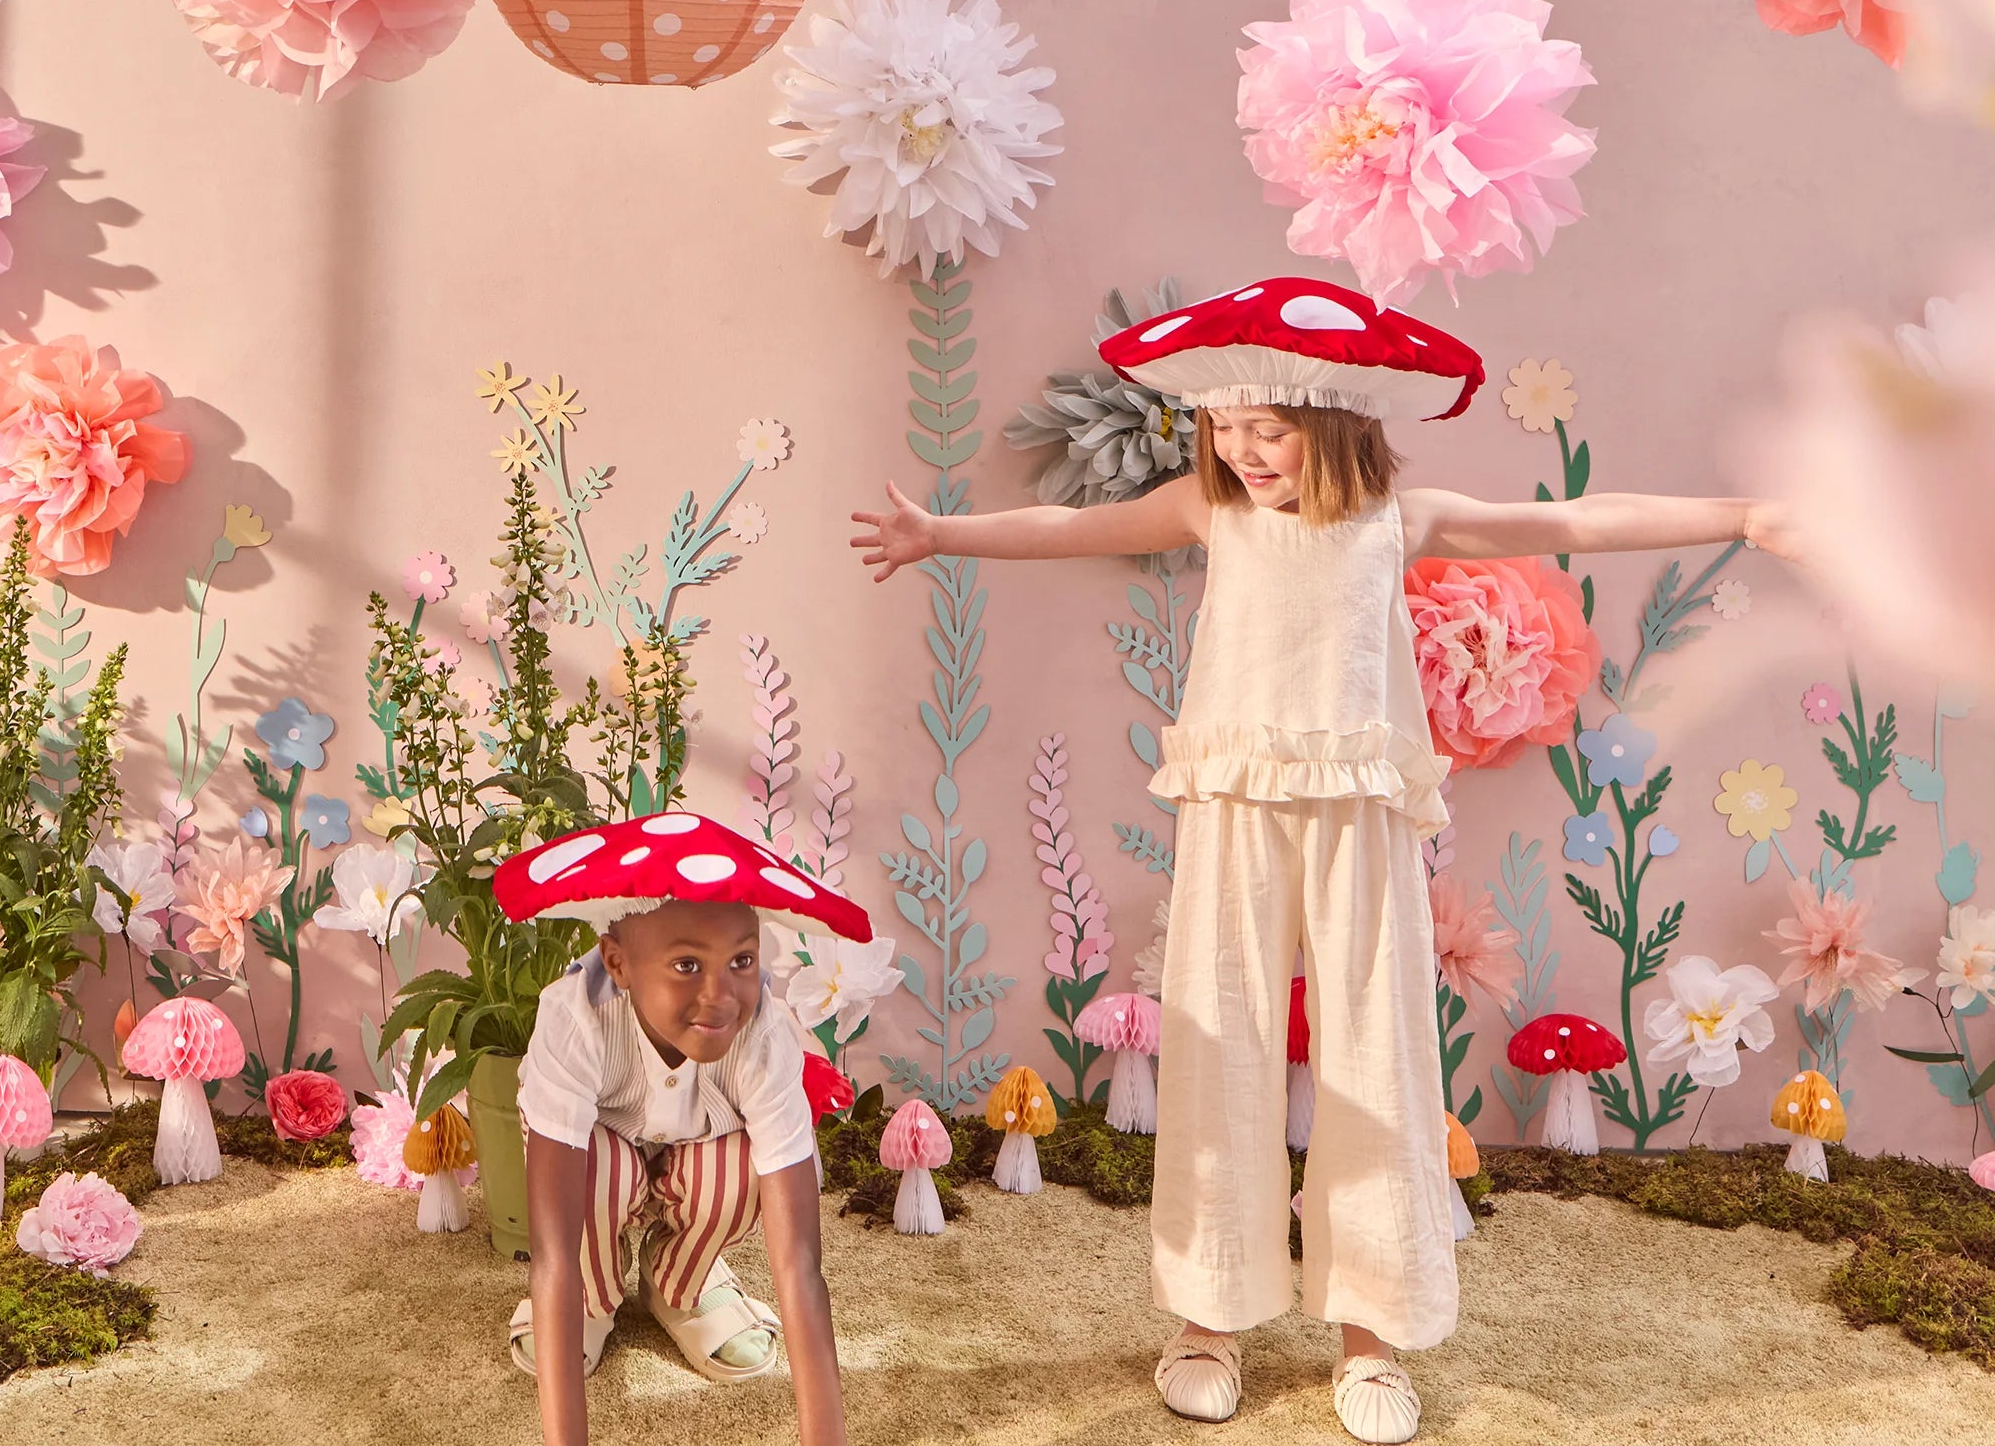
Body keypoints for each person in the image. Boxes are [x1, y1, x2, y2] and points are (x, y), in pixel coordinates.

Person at [851, 277, 1790, 1443]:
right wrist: (939, 534)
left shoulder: (1403, 515)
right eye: (1225, 429)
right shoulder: (1212, 513)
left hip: (1361, 815)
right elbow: (1073, 530)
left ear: (1335, 420)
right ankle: (1207, 1317)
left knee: (1377, 1054)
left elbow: (1579, 518)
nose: (1242, 451)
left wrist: (1743, 513)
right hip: (1237, 805)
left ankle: (1372, 1333)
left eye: (1269, 430)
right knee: (1218, 1047)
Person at [493, 808, 865, 1446]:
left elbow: (799, 1258)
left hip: (697, 1153)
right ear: (618, 963)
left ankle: (680, 1284)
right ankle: (592, 1299)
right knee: (596, 1176)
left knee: (750, 1163)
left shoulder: (764, 1035)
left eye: (742, 961)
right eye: (687, 965)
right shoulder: (573, 1020)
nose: (721, 995)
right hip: (598, 1160)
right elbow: (551, 1249)